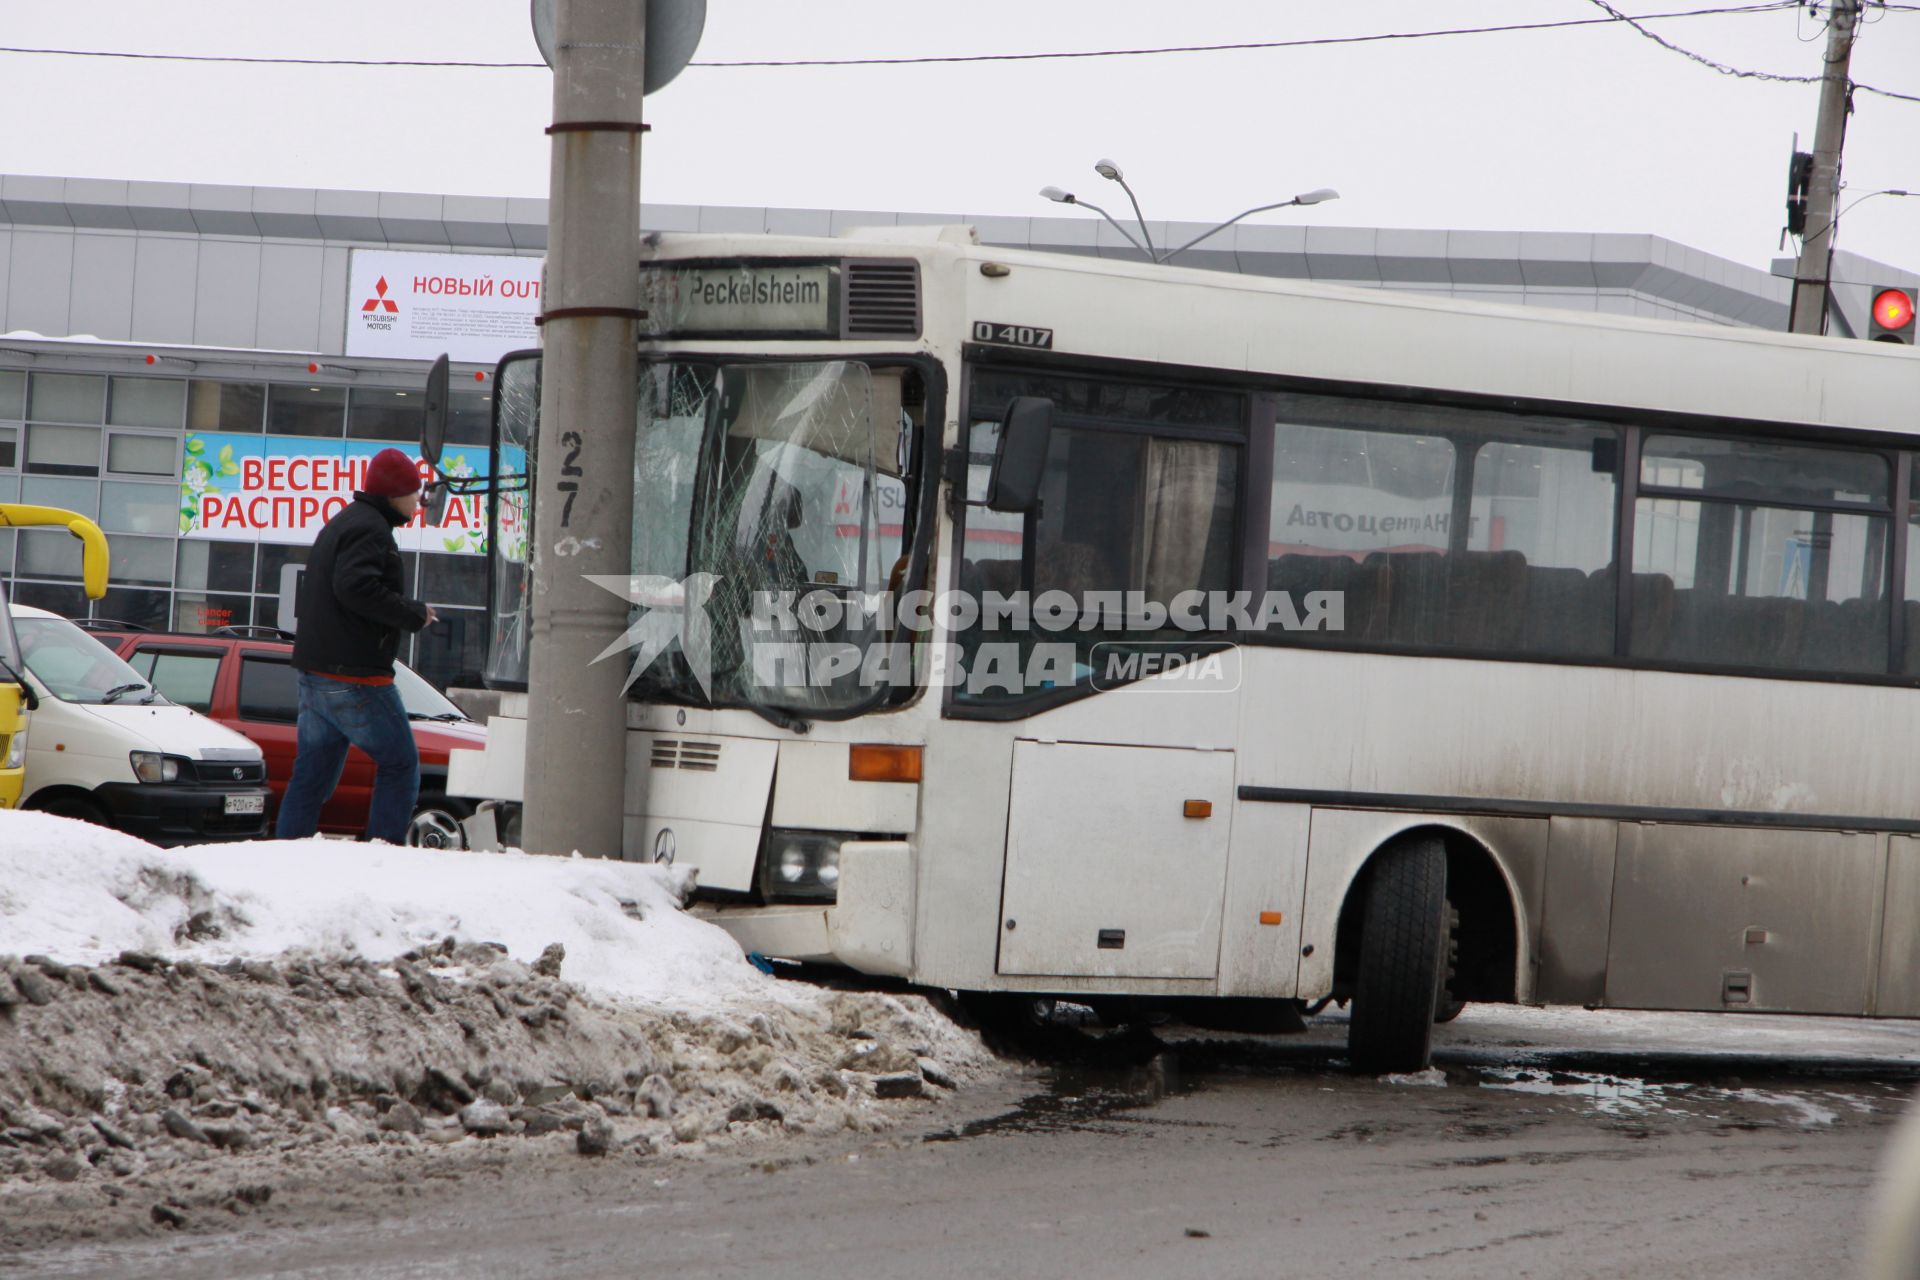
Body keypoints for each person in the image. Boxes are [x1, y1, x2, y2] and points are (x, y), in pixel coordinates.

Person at [277, 448, 436, 843]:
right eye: (413, 492)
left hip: (317, 671)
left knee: (312, 776)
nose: (418, 501)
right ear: (392, 493)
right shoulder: (371, 529)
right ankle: (383, 852)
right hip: (355, 676)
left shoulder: (345, 522)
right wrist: (412, 613)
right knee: (400, 765)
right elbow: (355, 587)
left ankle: (287, 853)